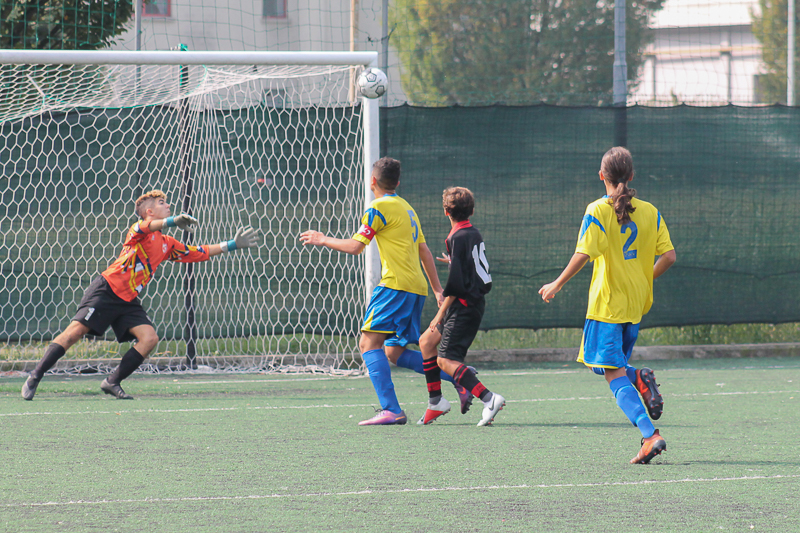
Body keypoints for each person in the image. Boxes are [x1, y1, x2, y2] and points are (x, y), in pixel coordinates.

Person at [22, 190, 259, 401]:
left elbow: (196, 252)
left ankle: (112, 381)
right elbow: (146, 227)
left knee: (149, 339)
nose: (168, 205)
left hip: (129, 300)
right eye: (162, 202)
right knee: (74, 333)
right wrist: (172, 221)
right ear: (149, 212)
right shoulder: (138, 231)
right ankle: (35, 375)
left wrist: (232, 244)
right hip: (107, 290)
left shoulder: (167, 243)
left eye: (167, 202)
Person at [300, 157, 468, 425]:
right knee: (393, 352)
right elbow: (424, 251)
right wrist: (437, 289)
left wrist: (323, 239)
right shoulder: (407, 208)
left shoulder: (377, 208)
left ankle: (392, 410)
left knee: (368, 343)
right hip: (416, 288)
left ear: (372, 181)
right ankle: (459, 376)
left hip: (394, 286)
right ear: (397, 182)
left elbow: (356, 247)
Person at [538, 147, 676, 464]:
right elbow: (669, 256)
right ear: (632, 175)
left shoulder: (598, 209)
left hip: (607, 305)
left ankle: (649, 435)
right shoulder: (651, 211)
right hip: (636, 304)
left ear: (602, 176)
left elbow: (584, 253)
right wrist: (645, 279)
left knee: (612, 373)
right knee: (602, 364)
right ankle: (638, 377)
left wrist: (557, 283)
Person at [417, 187, 505, 427]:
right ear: (472, 211)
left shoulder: (456, 237)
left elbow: (455, 286)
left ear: (446, 212)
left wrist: (439, 314)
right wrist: (453, 261)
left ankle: (489, 398)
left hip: (465, 307)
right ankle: (436, 401)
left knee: (445, 360)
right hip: (467, 303)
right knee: (426, 343)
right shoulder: (471, 232)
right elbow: (471, 265)